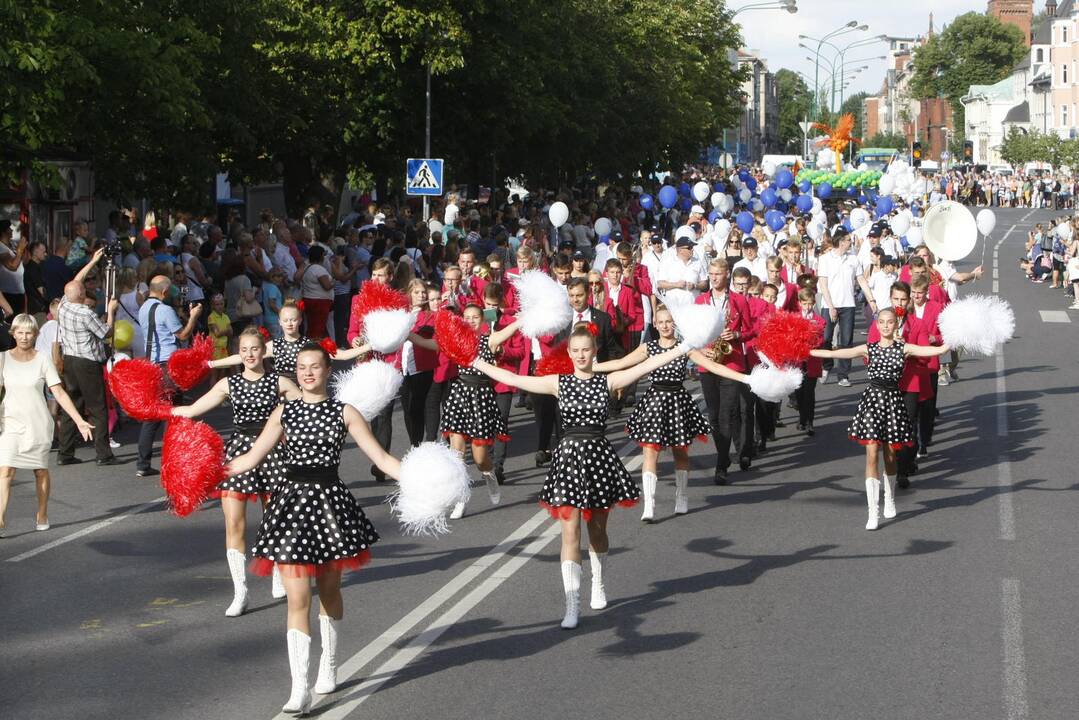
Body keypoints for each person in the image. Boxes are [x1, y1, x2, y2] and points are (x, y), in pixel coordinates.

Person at [471, 323, 694, 629]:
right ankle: (571, 605)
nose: (580, 355)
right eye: (574, 351)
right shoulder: (557, 382)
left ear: (594, 351)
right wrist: (475, 360)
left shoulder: (609, 380)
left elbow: (648, 363)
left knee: (597, 530)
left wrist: (685, 346)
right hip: (567, 461)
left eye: (585, 350)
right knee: (570, 530)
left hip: (599, 459)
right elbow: (512, 377)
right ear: (569, 353)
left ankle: (598, 580)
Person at [225, 343, 401, 713]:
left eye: (315, 366)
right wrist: (205, 470)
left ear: (327, 371)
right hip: (290, 508)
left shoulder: (345, 412)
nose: (307, 373)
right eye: (302, 367)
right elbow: (252, 458)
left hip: (330, 507)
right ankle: (299, 689)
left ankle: (330, 663)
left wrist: (422, 480)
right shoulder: (283, 411)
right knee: (296, 599)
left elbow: (382, 458)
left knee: (330, 593)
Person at [173, 327, 301, 615]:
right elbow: (192, 410)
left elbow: (305, 412)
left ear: (263, 351)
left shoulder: (280, 382)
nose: (249, 355)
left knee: (275, 518)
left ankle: (278, 571)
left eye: (254, 349)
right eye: (244, 350)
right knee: (234, 522)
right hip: (239, 452)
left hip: (272, 451)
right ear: (237, 353)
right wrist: (153, 409)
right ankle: (240, 591)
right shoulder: (228, 384)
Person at [594, 305, 747, 521]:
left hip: (677, 401)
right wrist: (588, 368)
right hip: (654, 403)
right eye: (661, 322)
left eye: (669, 321)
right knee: (650, 451)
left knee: (680, 452)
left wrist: (745, 379)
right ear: (655, 324)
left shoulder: (686, 347)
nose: (665, 325)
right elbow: (620, 363)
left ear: (674, 324)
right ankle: (649, 504)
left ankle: (681, 496)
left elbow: (713, 367)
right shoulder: (648, 348)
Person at [811, 309, 950, 530]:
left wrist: (959, 333)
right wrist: (804, 350)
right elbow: (834, 354)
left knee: (890, 456)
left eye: (890, 322)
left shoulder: (904, 348)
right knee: (872, 453)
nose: (885, 326)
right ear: (877, 325)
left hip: (894, 402)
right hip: (872, 403)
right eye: (882, 322)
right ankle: (872, 511)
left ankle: (890, 497)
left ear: (896, 324)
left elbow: (938, 349)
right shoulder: (868, 348)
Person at [0, 315, 95, 537]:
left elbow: (59, 392)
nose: (24, 337)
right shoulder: (3, 359)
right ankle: (1, 520)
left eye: (29, 332)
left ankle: (42, 514)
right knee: (5, 471)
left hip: (38, 424)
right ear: (13, 333)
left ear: (36, 334)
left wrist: (79, 420)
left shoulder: (43, 359)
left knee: (40, 471)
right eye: (20, 332)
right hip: (10, 423)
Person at [439, 304, 520, 518]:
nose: (471, 320)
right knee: (456, 454)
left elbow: (510, 330)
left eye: (475, 317)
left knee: (480, 458)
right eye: (467, 317)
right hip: (459, 395)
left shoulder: (489, 340)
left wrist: (527, 318)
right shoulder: (455, 340)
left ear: (482, 320)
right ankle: (461, 498)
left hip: (481, 398)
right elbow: (429, 342)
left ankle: (489, 474)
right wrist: (406, 332)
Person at [56, 250, 120, 466]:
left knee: (72, 404)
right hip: (87, 362)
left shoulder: (63, 305)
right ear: (82, 294)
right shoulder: (86, 313)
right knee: (98, 407)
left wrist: (92, 262)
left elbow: (76, 281)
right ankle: (103, 454)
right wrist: (111, 311)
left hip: (70, 360)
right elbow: (106, 333)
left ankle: (65, 453)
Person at [135, 275, 203, 476]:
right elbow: (182, 334)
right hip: (167, 366)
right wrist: (193, 317)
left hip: (152, 364)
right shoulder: (164, 310)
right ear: (164, 291)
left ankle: (143, 462)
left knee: (154, 414)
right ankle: (171, 459)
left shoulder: (144, 307)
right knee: (172, 413)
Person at [696, 262, 756, 483]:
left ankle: (721, 465)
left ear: (727, 274)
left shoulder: (738, 300)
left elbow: (752, 330)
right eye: (710, 274)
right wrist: (702, 349)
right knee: (712, 416)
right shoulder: (701, 300)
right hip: (707, 362)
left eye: (718, 274)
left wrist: (738, 335)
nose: (713, 278)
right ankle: (724, 456)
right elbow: (693, 333)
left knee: (727, 414)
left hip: (731, 364)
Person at [816, 228, 877, 387]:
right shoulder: (824, 259)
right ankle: (826, 366)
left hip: (848, 304)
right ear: (841, 241)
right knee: (826, 338)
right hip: (829, 305)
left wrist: (871, 299)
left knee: (846, 340)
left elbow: (861, 280)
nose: (852, 242)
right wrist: (831, 307)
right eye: (849, 240)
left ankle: (843, 374)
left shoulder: (853, 259)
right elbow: (823, 284)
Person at [296, 245, 334, 340]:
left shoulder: (307, 267)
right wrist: (334, 282)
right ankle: (313, 347)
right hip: (319, 302)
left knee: (311, 326)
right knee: (318, 328)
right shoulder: (319, 269)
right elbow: (327, 286)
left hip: (309, 300)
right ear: (321, 256)